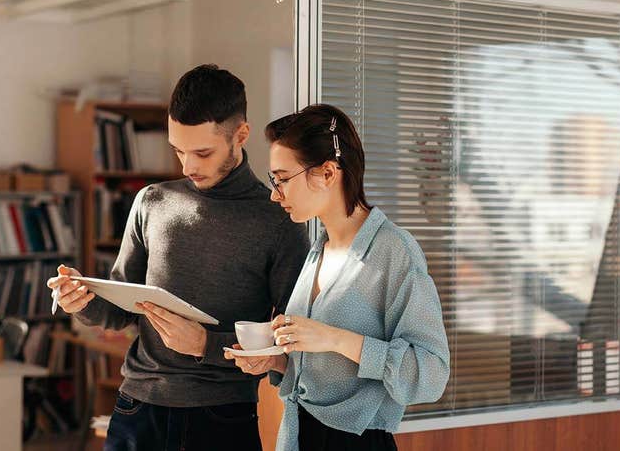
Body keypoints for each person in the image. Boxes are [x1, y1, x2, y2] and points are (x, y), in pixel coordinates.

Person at [47, 64, 310, 451]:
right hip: (136, 409)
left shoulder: (278, 220)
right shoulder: (152, 201)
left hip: (221, 417)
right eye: (178, 150)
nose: (187, 166)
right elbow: (121, 310)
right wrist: (83, 302)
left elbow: (290, 340)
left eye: (202, 152)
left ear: (241, 135)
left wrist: (206, 344)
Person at [225, 103, 450, 451]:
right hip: (299, 436)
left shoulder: (394, 251)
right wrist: (276, 361)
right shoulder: (319, 249)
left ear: (328, 173)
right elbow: (327, 372)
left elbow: (430, 375)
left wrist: (335, 338)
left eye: (283, 179)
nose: (274, 193)